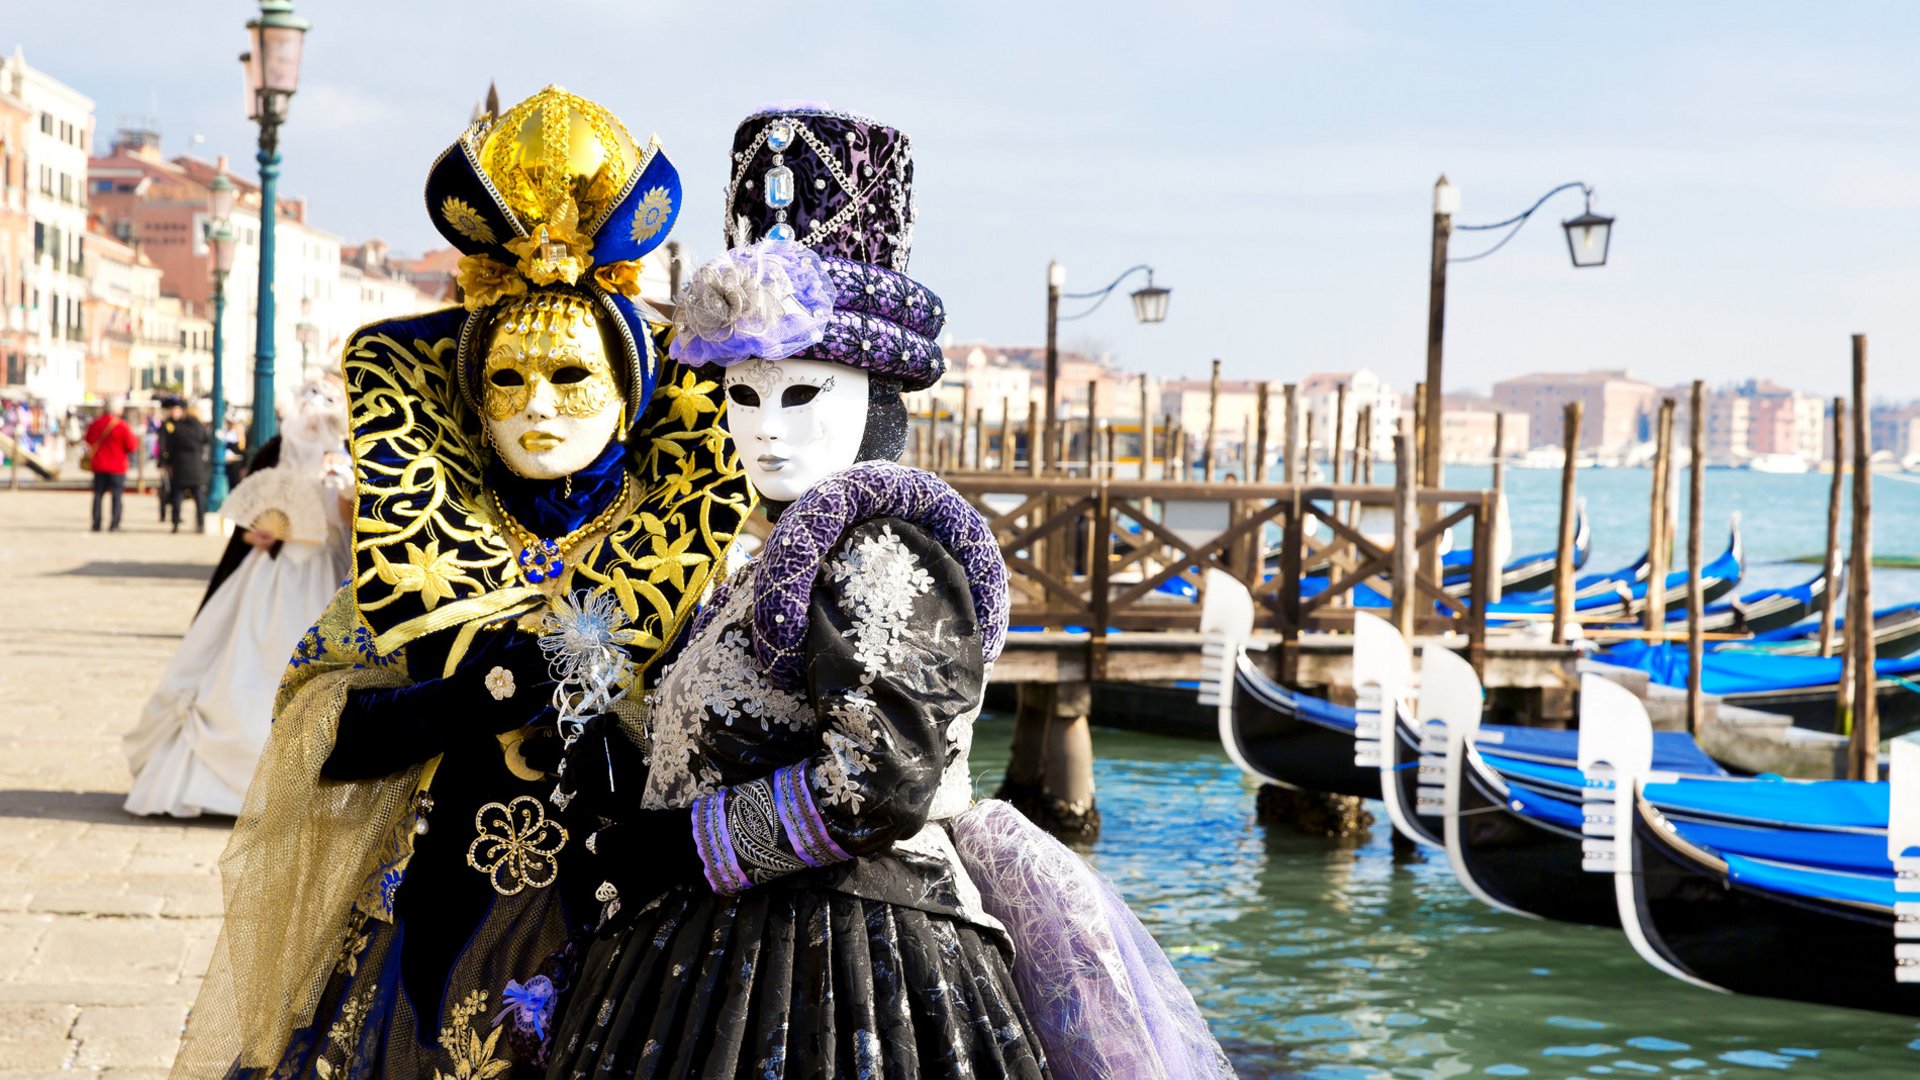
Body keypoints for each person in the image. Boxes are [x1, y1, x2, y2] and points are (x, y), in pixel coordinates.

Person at [545, 104, 1232, 1080]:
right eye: (741, 395)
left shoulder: (885, 547)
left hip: (850, 969)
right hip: (705, 959)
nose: (764, 430)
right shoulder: (770, 554)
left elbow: (879, 786)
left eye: (800, 394)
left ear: (875, 395)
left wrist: (674, 850)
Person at [169, 86, 752, 1080]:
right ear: (471, 406)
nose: (537, 408)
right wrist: (464, 699)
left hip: (623, 935)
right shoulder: (425, 549)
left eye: (571, 379)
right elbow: (321, 741)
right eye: (507, 383)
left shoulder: (700, 561)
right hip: (428, 930)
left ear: (629, 402)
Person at [123, 375, 353, 818]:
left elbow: (344, 523)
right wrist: (264, 534)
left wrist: (347, 489)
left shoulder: (343, 463)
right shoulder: (274, 458)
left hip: (320, 576)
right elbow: (254, 528)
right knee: (246, 663)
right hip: (271, 577)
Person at [83, 397, 138, 532]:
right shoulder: (122, 425)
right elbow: (131, 446)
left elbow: (88, 439)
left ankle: (96, 523)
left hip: (99, 465)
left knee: (98, 495)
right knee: (117, 496)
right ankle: (114, 524)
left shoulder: (95, 423)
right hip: (117, 466)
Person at [159, 396, 211, 533]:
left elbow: (168, 447)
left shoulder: (178, 427)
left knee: (178, 495)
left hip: (180, 465)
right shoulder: (200, 428)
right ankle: (201, 524)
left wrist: (167, 463)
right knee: (199, 496)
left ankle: (175, 524)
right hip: (197, 465)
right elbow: (207, 441)